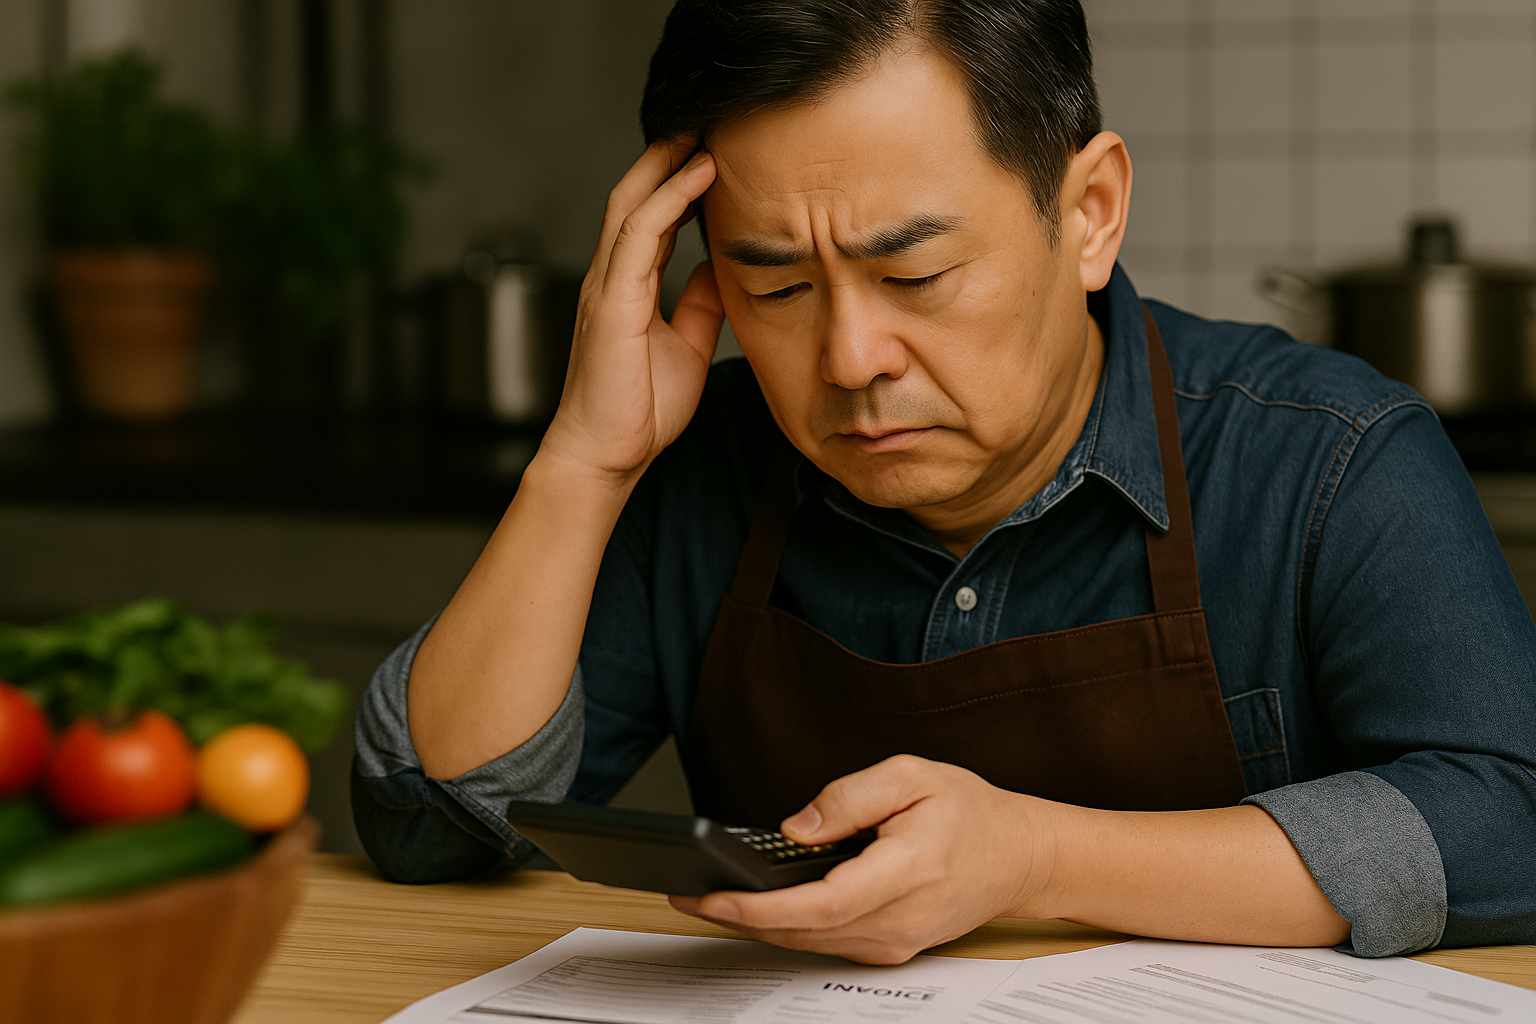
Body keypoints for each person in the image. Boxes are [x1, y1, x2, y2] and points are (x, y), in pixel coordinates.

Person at [352, 0, 1536, 964]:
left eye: (914, 274)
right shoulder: (699, 471)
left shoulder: (1326, 458)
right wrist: (583, 459)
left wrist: (1035, 857)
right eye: (773, 290)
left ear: (1089, 212)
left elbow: (1510, 820)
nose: (850, 359)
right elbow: (431, 822)